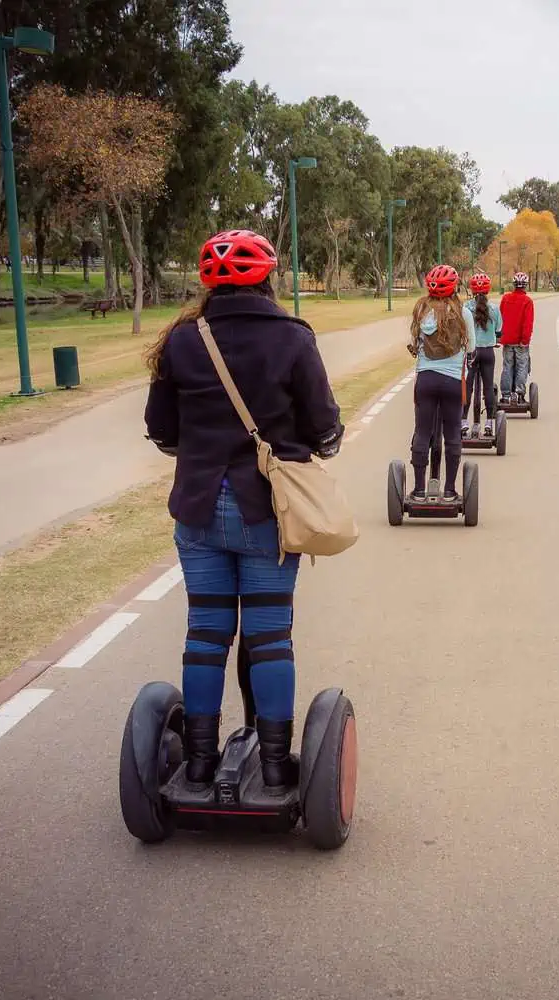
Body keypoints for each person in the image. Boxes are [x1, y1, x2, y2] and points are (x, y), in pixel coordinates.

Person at [143, 229, 344, 791]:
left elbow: (161, 431)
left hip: (199, 509)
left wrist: (205, 444)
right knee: (269, 636)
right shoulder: (292, 337)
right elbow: (322, 424)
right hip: (266, 511)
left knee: (206, 632)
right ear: (268, 276)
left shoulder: (182, 340)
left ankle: (201, 762)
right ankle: (278, 768)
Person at [408, 264, 470, 502]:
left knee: (422, 432)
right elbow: (471, 346)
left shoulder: (421, 311)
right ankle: (450, 490)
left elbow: (415, 341)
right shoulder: (463, 312)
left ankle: (419, 489)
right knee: (453, 432)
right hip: (453, 381)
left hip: (426, 380)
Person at [462, 271, 503, 436]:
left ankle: (463, 421)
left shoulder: (466, 308)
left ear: (471, 290)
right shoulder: (494, 308)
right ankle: (490, 424)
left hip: (472, 353)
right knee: (488, 388)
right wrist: (494, 337)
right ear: (488, 289)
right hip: (487, 352)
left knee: (468, 387)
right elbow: (499, 331)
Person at [499, 270, 534, 402]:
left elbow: (501, 318)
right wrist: (525, 340)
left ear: (514, 285)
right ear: (525, 285)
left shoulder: (506, 299)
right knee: (521, 366)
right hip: (521, 342)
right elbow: (528, 323)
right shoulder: (527, 301)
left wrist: (500, 336)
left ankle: (506, 395)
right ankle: (519, 394)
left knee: (507, 366)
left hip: (508, 340)